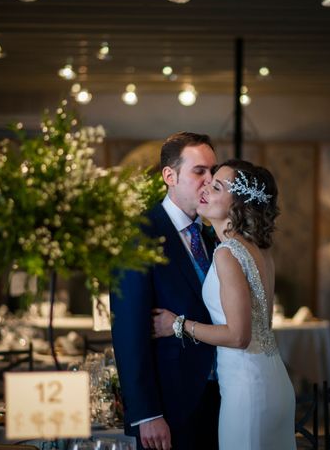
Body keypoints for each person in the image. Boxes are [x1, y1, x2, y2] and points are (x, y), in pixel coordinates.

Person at [152, 159, 296, 450]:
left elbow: (239, 336)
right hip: (274, 380)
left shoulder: (227, 254)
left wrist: (176, 325)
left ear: (238, 205)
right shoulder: (260, 249)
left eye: (216, 186)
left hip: (249, 390)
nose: (205, 188)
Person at [110, 132, 220, 450]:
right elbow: (128, 331)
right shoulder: (138, 233)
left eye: (213, 172)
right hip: (170, 405)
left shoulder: (211, 236)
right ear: (169, 176)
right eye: (199, 171)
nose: (209, 181)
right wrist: (147, 413)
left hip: (220, 396)